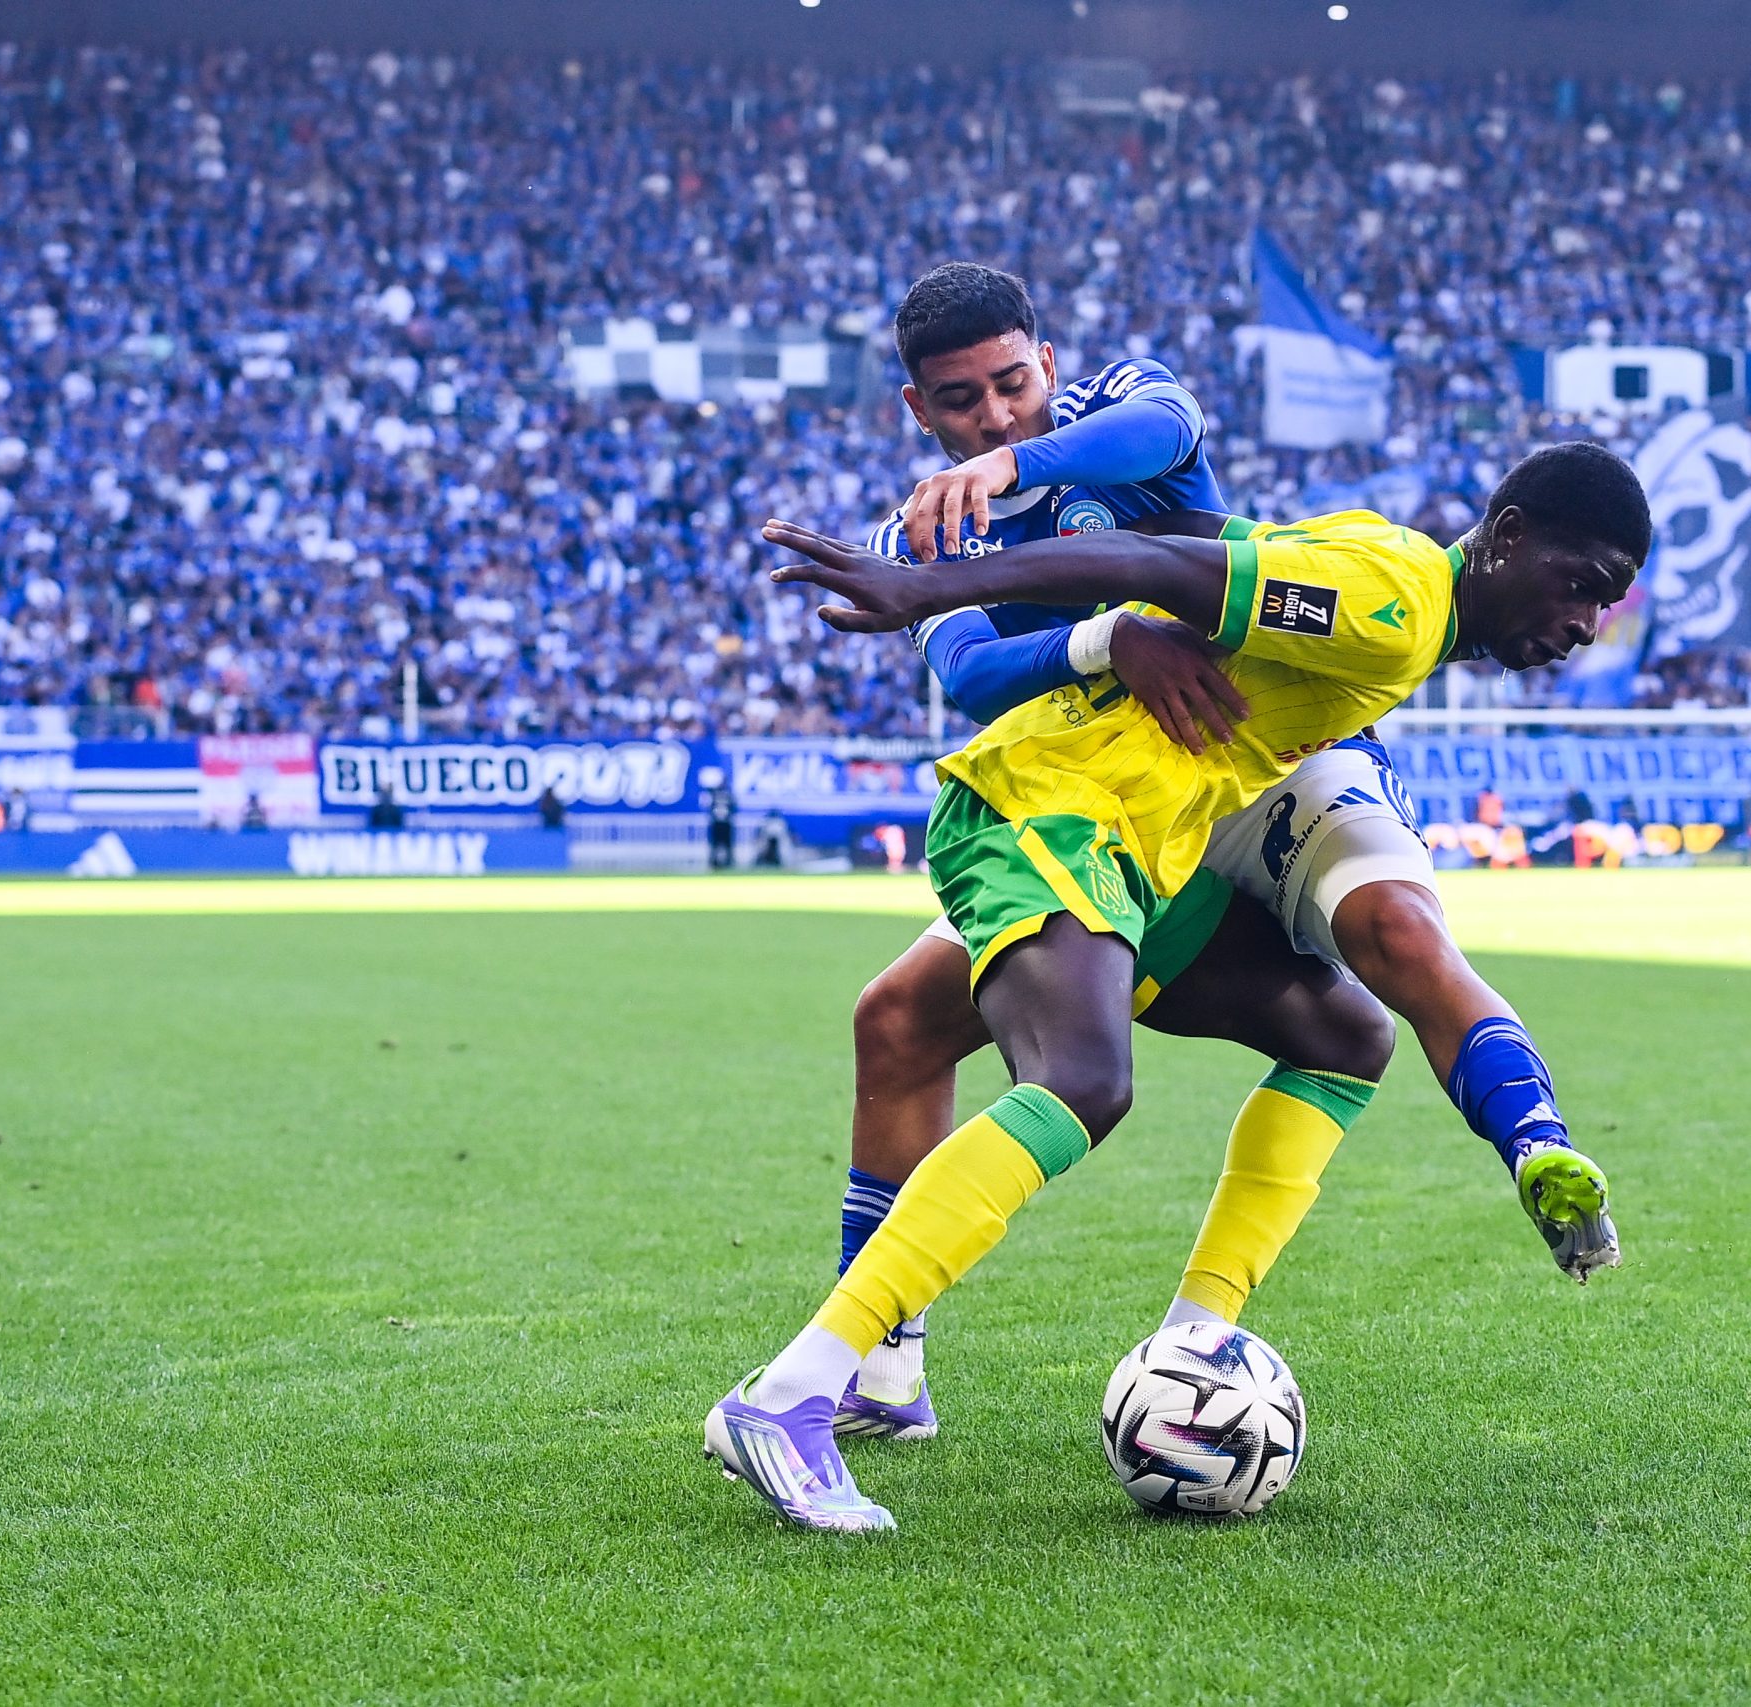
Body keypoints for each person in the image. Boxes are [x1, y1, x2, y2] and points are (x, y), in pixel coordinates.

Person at [706, 440, 1652, 1532]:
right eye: (1580, 585)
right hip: (1051, 809)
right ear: (1510, 536)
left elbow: (1208, 542)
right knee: (1084, 1084)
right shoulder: (1390, 601)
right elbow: (1159, 562)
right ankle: (789, 1395)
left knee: (1344, 1037)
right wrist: (930, 589)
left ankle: (1196, 1341)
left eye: (1608, 604)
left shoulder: (1388, 578)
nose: (1585, 623)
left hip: (1147, 856)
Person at [824, 267, 1627, 1445]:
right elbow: (971, 675)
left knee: (1393, 934)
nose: (993, 416)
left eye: (1010, 384)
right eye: (961, 405)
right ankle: (877, 1371)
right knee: (896, 1022)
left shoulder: (1117, 403)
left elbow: (1168, 430)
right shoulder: (917, 532)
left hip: (1284, 742)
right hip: (1119, 778)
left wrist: (1019, 470)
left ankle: (1535, 1142)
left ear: (1046, 362)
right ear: (916, 409)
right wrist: (1114, 642)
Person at [703, 767, 736, 870]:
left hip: (725, 822)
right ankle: (714, 862)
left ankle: (728, 862)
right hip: (717, 822)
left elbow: (733, 807)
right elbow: (709, 806)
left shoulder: (728, 794)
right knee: (715, 844)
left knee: (727, 844)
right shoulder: (714, 793)